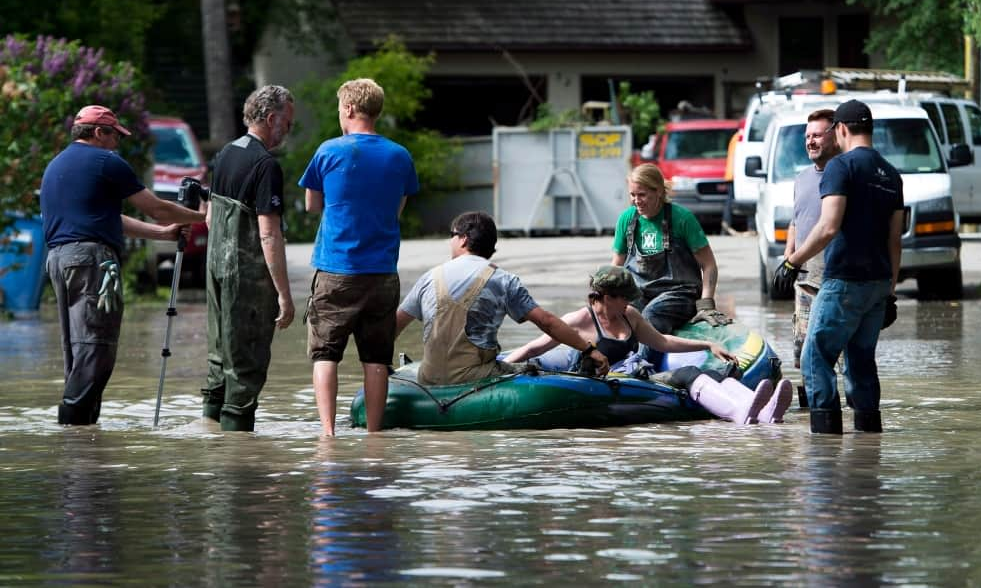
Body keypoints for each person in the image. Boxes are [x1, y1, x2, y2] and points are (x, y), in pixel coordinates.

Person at [40, 104, 207, 425]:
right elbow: (157, 208)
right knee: (96, 348)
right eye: (114, 135)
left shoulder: (56, 165)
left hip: (59, 261)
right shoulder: (105, 161)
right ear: (98, 132)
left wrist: (163, 235)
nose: (117, 143)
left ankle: (83, 437)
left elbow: (107, 218)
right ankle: (72, 427)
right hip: (93, 262)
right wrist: (204, 216)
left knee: (76, 351)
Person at [503, 265, 793, 424]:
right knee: (686, 377)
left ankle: (761, 410)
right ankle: (740, 413)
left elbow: (662, 342)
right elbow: (533, 350)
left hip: (635, 379)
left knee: (696, 373)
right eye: (623, 297)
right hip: (603, 386)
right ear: (604, 296)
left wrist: (706, 345)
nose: (630, 302)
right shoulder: (578, 321)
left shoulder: (629, 315)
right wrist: (499, 370)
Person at [299, 78, 419, 437]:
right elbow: (398, 208)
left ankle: (328, 433)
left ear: (349, 109)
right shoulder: (400, 155)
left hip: (336, 268)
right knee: (377, 358)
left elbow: (311, 205)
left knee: (325, 354)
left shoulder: (329, 151)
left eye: (340, 108)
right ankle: (374, 435)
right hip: (383, 272)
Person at [785, 99, 904, 435]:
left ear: (841, 129)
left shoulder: (842, 167)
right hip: (878, 283)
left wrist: (791, 261)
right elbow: (895, 242)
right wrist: (890, 292)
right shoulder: (891, 174)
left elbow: (828, 227)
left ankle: (825, 444)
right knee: (860, 359)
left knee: (814, 356)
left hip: (844, 280)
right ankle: (868, 441)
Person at [395, 211, 609, 385]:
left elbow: (395, 325)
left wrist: (378, 365)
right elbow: (547, 322)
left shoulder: (429, 277)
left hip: (429, 377)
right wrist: (589, 349)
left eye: (452, 235)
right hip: (476, 376)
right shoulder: (504, 280)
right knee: (532, 370)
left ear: (463, 239)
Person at [202, 85, 297, 432]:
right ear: (271, 119)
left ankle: (209, 438)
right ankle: (237, 460)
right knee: (245, 367)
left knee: (219, 360)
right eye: (287, 123)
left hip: (215, 270)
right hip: (247, 278)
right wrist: (284, 295)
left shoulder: (225, 153)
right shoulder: (265, 165)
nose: (288, 130)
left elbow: (210, 217)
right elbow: (269, 234)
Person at [611, 163, 728, 365]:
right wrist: (606, 300)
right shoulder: (626, 220)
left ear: (658, 191)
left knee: (650, 314)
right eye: (632, 195)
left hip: (679, 293)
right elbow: (616, 267)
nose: (636, 201)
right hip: (639, 292)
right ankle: (603, 362)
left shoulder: (682, 218)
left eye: (642, 195)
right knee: (621, 313)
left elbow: (709, 265)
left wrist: (706, 304)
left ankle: (639, 367)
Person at [780, 108, 840, 410]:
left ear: (835, 134)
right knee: (803, 354)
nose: (811, 141)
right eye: (807, 136)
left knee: (839, 355)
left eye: (817, 135)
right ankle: (810, 417)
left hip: (837, 279)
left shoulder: (843, 175)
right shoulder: (802, 179)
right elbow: (795, 221)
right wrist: (787, 259)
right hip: (803, 281)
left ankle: (852, 418)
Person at [720, 124, 743, 235]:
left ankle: (726, 226)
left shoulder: (735, 137)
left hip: (732, 174)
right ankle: (726, 225)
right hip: (735, 175)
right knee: (730, 202)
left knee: (729, 201)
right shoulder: (739, 137)